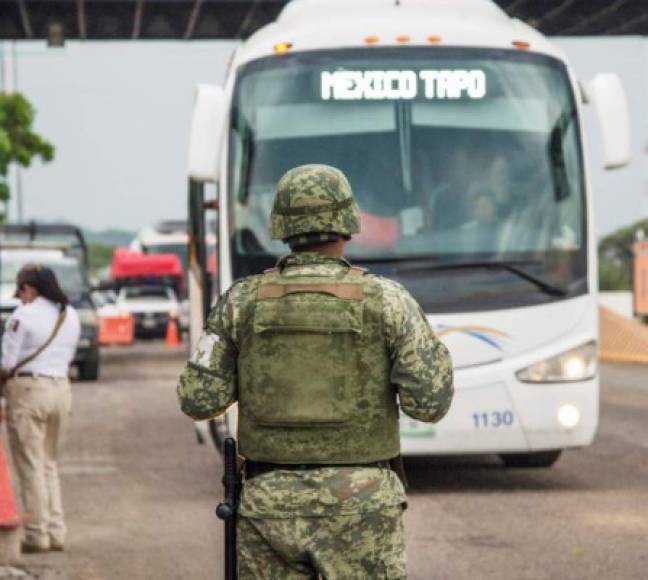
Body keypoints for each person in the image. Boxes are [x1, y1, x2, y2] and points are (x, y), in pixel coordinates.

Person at [177, 164, 454, 578]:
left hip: (269, 506)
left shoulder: (240, 303)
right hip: (362, 505)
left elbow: (199, 399)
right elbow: (430, 403)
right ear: (347, 223)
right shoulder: (389, 301)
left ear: (281, 225)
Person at [0, 264, 80, 553]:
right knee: (48, 463)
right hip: (61, 390)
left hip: (29, 392)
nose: (21, 298)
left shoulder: (23, 316)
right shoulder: (68, 314)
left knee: (30, 464)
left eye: (21, 291)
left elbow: (7, 363)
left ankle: (37, 533)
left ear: (30, 288)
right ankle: (56, 532)